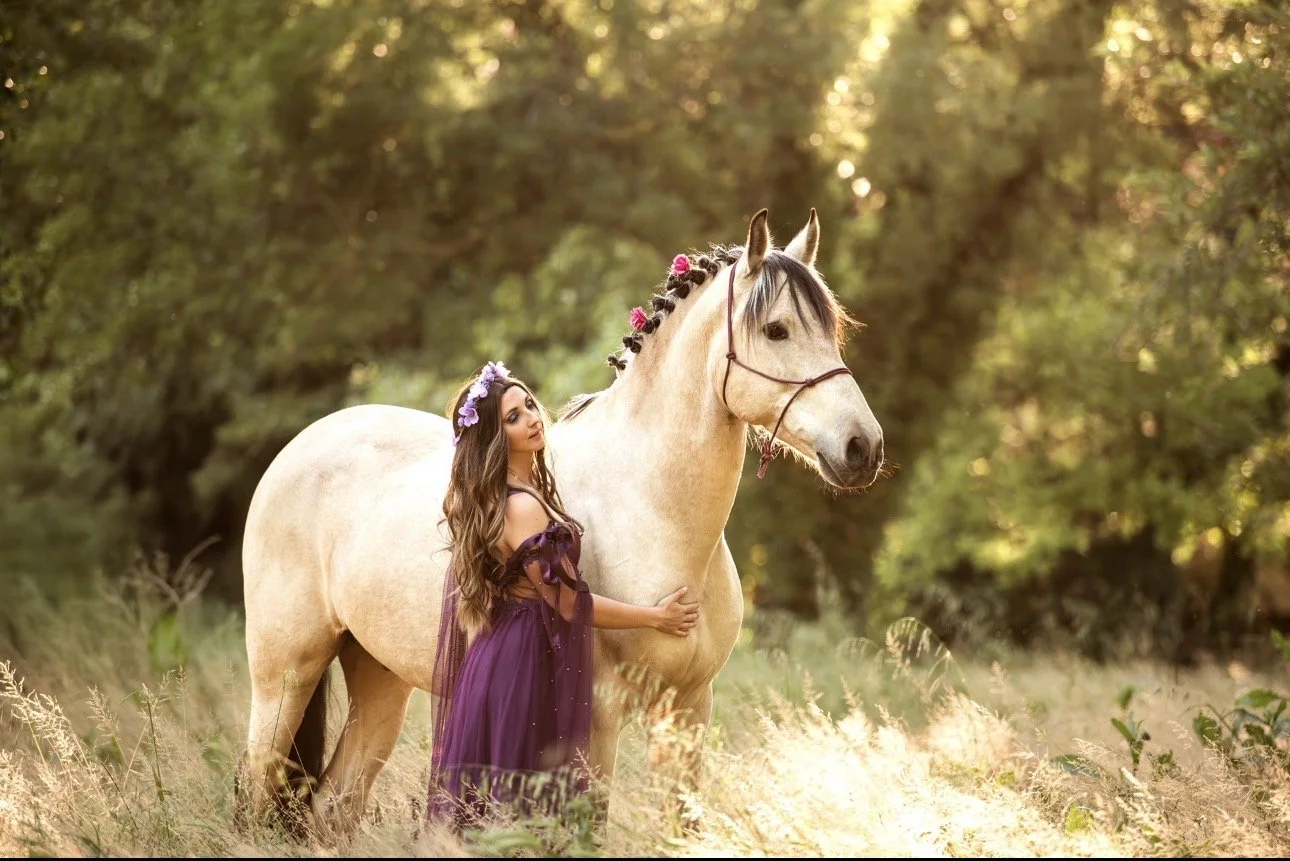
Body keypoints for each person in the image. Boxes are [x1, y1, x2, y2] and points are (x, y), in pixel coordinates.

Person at [425, 360, 699, 830]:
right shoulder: (522, 505)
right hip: (520, 661)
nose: (532, 417)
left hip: (509, 650)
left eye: (529, 404)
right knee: (518, 814)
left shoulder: (524, 491)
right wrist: (654, 617)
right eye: (513, 417)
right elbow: (569, 602)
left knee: (513, 817)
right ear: (495, 437)